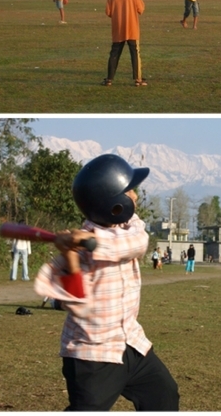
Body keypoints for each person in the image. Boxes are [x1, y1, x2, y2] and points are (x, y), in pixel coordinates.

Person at [34, 154, 179, 411]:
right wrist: (69, 253)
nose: (134, 195)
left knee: (164, 396)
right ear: (115, 204)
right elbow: (72, 300)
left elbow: (137, 242)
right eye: (129, 191)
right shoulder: (79, 252)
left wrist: (94, 242)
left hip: (131, 344)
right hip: (93, 356)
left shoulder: (126, 230)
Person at [103, 0, 147, 87]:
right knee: (135, 53)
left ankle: (109, 79)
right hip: (132, 28)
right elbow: (141, 9)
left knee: (114, 54)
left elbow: (108, 12)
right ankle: (138, 79)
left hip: (118, 29)